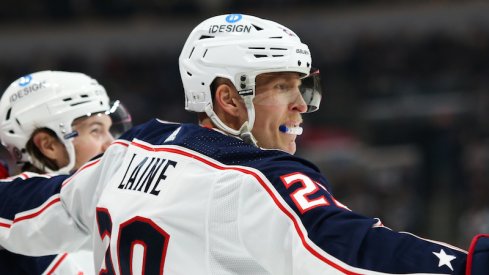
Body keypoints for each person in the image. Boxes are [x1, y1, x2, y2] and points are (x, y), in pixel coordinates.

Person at [0, 14, 488, 274]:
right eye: (281, 87)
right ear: (228, 99)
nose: (300, 105)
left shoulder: (130, 152)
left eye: (303, 87)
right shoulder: (255, 180)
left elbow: (27, 212)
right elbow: (359, 252)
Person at [0, 70, 132, 274]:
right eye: (96, 131)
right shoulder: (27, 233)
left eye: (109, 129)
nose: (111, 144)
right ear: (48, 145)